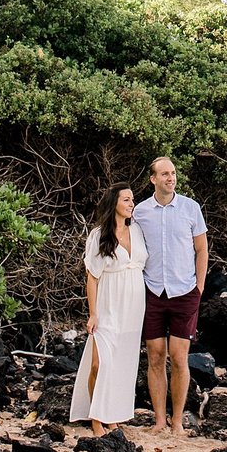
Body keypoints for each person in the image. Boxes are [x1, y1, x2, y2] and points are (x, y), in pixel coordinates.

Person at [132, 156, 208, 435]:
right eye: (164, 174)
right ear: (153, 179)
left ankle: (177, 422)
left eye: (173, 173)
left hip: (185, 291)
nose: (170, 178)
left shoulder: (190, 208)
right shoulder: (140, 212)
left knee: (178, 357)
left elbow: (202, 249)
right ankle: (159, 421)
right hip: (152, 291)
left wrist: (199, 287)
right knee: (154, 356)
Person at [69, 184, 148, 436]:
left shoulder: (136, 231)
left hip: (134, 305)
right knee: (99, 363)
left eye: (132, 200)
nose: (131, 203)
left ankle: (113, 416)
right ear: (114, 202)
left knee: (122, 362)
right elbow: (92, 277)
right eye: (126, 199)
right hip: (108, 303)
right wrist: (93, 313)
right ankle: (95, 418)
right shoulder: (98, 235)